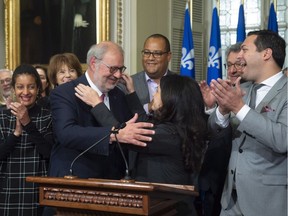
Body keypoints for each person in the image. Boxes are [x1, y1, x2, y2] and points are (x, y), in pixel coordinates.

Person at [48, 41, 154, 180]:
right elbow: (66, 133)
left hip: (113, 180)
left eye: (120, 69)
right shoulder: (65, 92)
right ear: (93, 63)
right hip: (75, 178)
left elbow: (134, 132)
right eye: (113, 69)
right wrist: (113, 134)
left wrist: (131, 95)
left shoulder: (119, 95)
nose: (117, 75)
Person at [209, 30, 287, 216]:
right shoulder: (241, 89)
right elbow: (212, 129)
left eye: (245, 49)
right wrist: (222, 112)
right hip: (230, 200)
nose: (240, 56)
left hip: (268, 202)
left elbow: (283, 140)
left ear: (266, 54)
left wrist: (238, 108)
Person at [0, 64, 54, 216]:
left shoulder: (48, 116)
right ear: (13, 89)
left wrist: (27, 123)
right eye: (20, 87)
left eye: (31, 87)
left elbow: (48, 153)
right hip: (7, 190)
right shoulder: (2, 117)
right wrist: (16, 134)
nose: (25, 92)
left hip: (37, 189)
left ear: (38, 89)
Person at [197, 43, 244, 216]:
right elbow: (205, 134)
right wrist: (210, 107)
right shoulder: (219, 93)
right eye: (229, 65)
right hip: (215, 178)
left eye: (237, 64)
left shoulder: (254, 95)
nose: (232, 71)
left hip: (243, 184)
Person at [119, 34, 174, 114]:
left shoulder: (181, 84)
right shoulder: (126, 85)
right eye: (146, 52)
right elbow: (123, 116)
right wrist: (149, 107)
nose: (151, 58)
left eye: (157, 53)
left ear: (168, 56)